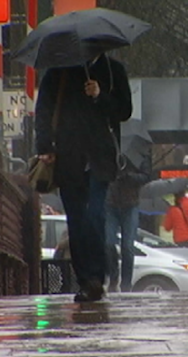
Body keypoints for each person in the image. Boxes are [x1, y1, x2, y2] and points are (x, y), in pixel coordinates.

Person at [35, 53, 132, 302]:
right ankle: (86, 280)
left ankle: (97, 278)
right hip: (68, 158)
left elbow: (124, 111)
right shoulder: (59, 71)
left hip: (100, 159)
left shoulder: (112, 70)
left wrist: (100, 95)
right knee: (76, 220)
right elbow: (44, 107)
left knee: (95, 215)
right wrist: (44, 145)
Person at [105, 150, 152, 293]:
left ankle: (126, 284)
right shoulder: (109, 147)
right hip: (111, 203)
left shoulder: (139, 152)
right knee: (108, 243)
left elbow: (146, 176)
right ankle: (113, 277)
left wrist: (129, 176)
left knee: (128, 247)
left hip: (130, 204)